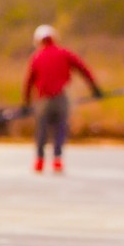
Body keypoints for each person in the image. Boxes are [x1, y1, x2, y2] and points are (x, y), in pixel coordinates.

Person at [22, 24, 103, 173]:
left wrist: (26, 103)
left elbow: (28, 82)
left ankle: (39, 160)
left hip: (42, 99)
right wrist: (95, 89)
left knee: (42, 129)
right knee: (60, 128)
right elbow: (83, 69)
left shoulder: (37, 57)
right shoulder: (64, 53)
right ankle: (57, 159)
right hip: (60, 97)